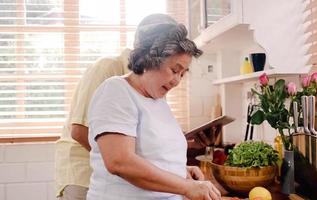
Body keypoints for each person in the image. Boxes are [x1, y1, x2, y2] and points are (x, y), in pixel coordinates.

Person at [86, 14, 222, 200]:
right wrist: (185, 187)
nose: (177, 81)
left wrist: (180, 171)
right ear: (150, 59)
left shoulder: (158, 101)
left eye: (183, 74)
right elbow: (119, 161)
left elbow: (154, 155)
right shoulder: (116, 91)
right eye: (174, 70)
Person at [55, 13, 182, 200]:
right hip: (82, 176)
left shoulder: (150, 83)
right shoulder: (108, 69)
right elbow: (79, 130)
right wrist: (123, 160)